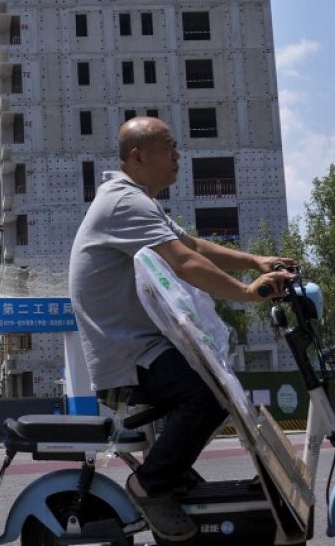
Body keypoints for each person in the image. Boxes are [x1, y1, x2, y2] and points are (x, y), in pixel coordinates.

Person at [69, 117, 292, 542]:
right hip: (128, 354)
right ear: (138, 155)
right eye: (169, 146)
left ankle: (170, 473)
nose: (178, 155)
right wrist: (247, 294)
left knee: (215, 388)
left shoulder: (137, 201)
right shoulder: (123, 202)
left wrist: (256, 261)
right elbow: (184, 263)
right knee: (207, 396)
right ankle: (149, 485)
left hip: (143, 345)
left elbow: (192, 246)